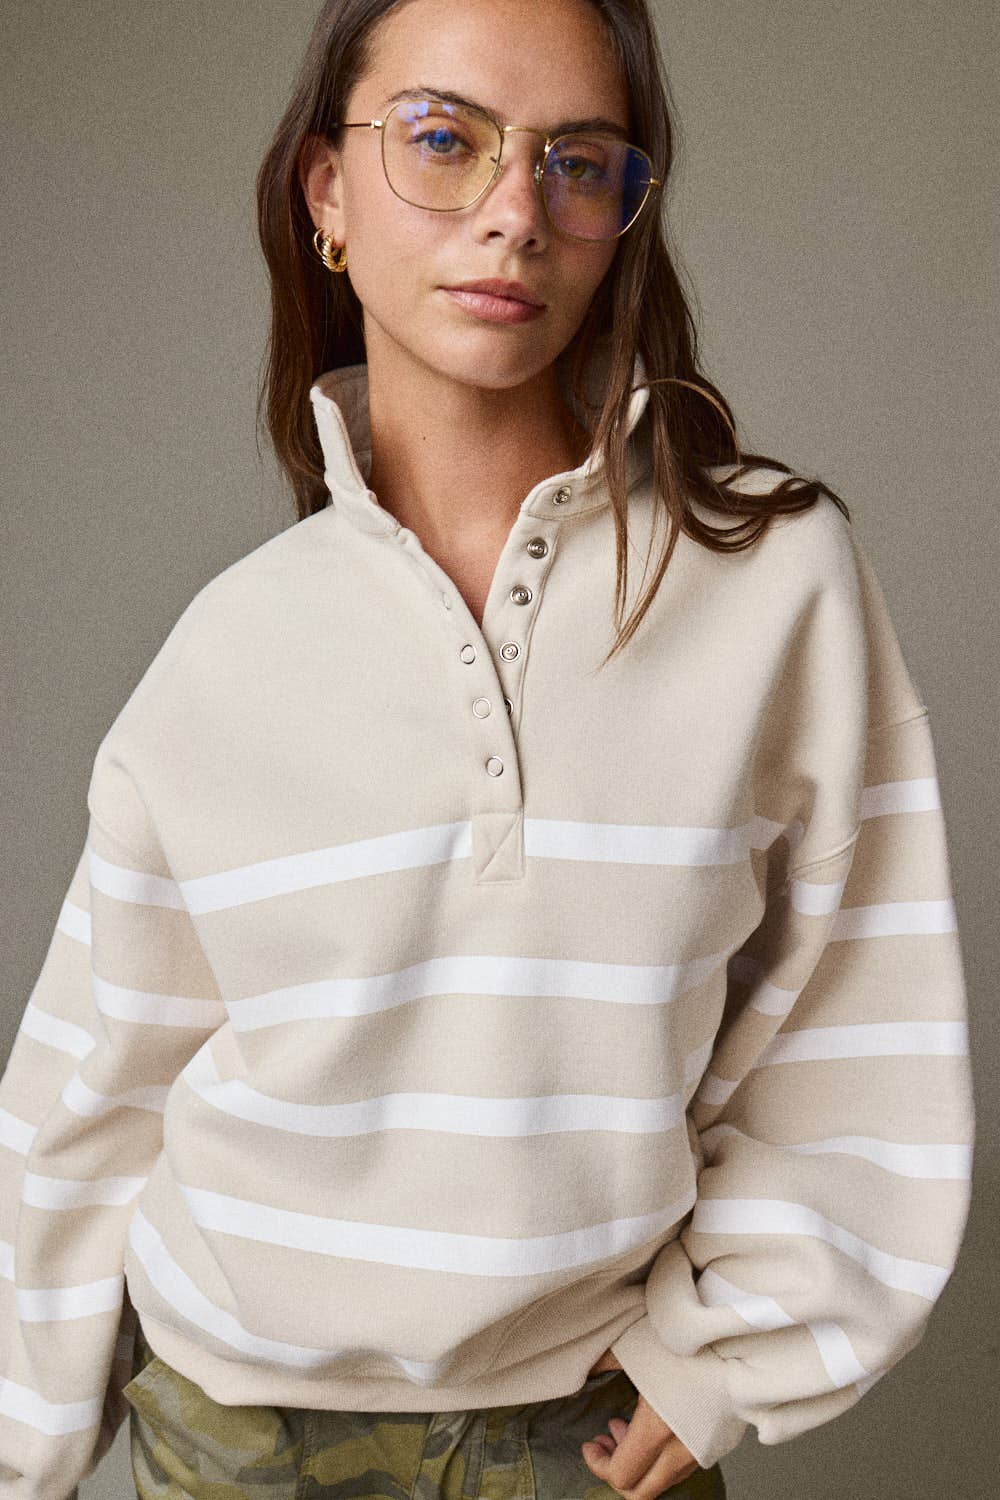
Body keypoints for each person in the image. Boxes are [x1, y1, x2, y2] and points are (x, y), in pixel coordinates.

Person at [0, 0, 975, 1497]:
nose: (516, 214)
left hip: (584, 1431)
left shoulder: (774, 580)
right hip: (232, 1436)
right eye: (444, 141)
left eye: (578, 162)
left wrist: (732, 1351)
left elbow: (855, 1015)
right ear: (327, 194)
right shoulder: (225, 651)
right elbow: (88, 1101)